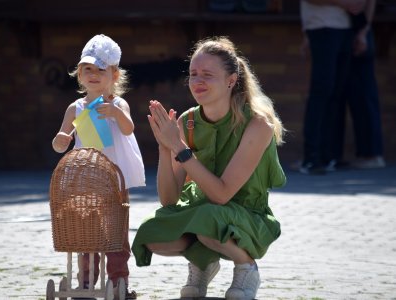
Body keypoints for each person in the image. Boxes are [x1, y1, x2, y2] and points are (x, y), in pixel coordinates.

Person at [132, 36, 286, 299]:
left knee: (207, 220)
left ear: (230, 80)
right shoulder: (187, 121)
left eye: (207, 74)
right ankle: (203, 263)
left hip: (247, 214)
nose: (197, 81)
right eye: (193, 74)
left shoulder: (258, 125)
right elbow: (169, 199)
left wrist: (180, 149)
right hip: (203, 213)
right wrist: (164, 146)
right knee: (150, 234)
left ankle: (247, 267)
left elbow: (222, 195)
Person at [52, 34, 145, 299]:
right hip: (85, 180)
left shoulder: (117, 103)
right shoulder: (75, 108)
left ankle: (119, 281)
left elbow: (128, 129)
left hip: (113, 180)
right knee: (87, 232)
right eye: (87, 69)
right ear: (79, 74)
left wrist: (116, 114)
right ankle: (86, 281)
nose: (93, 75)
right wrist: (60, 140)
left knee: (116, 235)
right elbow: (62, 142)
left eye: (100, 70)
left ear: (114, 75)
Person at [298, 0, 366, 174]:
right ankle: (311, 158)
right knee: (322, 90)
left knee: (338, 92)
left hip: (346, 28)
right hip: (321, 27)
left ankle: (331, 156)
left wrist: (363, 30)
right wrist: (344, 3)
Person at [338, 0, 386, 169]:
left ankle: (372, 154)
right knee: (355, 97)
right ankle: (367, 154)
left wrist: (363, 32)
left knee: (364, 96)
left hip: (360, 33)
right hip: (354, 32)